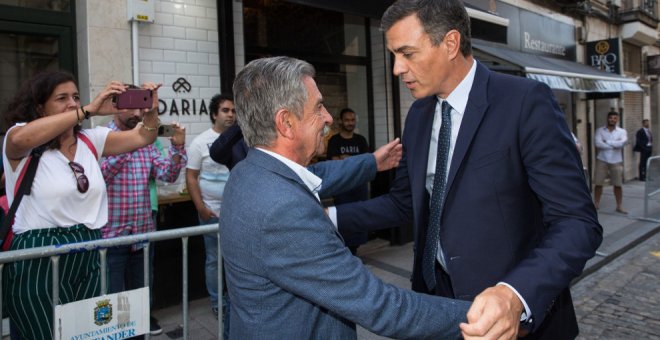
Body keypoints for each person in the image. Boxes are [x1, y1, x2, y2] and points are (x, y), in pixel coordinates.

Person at [331, 1, 603, 339]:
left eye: (407, 54)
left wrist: (515, 293)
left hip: (511, 319)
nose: (397, 69)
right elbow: (403, 203)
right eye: (393, 55)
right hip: (435, 308)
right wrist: (328, 217)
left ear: (450, 44)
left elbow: (577, 222)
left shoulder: (524, 102)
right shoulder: (417, 116)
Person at [219, 56, 469, 339]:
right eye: (318, 107)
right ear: (286, 122)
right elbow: (380, 305)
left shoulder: (247, 173)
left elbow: (316, 174)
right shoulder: (283, 210)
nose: (327, 117)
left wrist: (372, 162)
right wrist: (480, 316)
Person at [2, 70, 161, 340]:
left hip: (89, 246)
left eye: (75, 97)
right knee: (44, 333)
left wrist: (150, 111)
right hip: (39, 250)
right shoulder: (21, 138)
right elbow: (20, 140)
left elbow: (144, 137)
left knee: (85, 332)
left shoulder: (91, 140)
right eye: (61, 98)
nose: (73, 103)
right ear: (40, 107)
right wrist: (88, 110)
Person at [100, 94, 187, 336]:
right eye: (132, 109)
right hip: (110, 237)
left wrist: (177, 147)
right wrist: (131, 143)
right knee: (110, 302)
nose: (137, 115)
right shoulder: (101, 137)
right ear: (116, 108)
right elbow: (100, 176)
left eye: (142, 109)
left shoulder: (147, 140)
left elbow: (168, 175)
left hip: (141, 235)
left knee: (139, 300)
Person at [185, 93, 234, 336]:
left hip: (236, 214)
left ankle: (236, 300)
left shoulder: (239, 140)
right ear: (214, 114)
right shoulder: (200, 142)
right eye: (225, 110)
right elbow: (191, 176)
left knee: (237, 259)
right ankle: (218, 302)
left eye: (233, 111)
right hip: (211, 213)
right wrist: (201, 208)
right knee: (214, 260)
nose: (230, 115)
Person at [325, 108, 370, 254]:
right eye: (347, 120)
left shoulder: (361, 140)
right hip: (342, 187)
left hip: (359, 186)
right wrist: (355, 160)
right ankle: (344, 250)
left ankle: (355, 251)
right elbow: (334, 161)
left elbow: (366, 162)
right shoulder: (335, 140)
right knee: (342, 218)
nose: (350, 123)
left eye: (352, 120)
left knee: (359, 217)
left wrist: (346, 158)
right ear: (340, 121)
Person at [594, 110, 628, 213]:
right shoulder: (600, 130)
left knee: (617, 184)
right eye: (610, 118)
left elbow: (622, 143)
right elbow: (598, 143)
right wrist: (614, 144)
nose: (612, 120)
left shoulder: (622, 131)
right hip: (602, 159)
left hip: (616, 160)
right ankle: (596, 204)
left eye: (614, 118)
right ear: (607, 118)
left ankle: (619, 206)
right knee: (598, 183)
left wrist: (607, 142)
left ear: (617, 119)